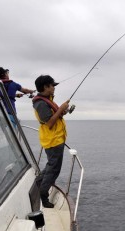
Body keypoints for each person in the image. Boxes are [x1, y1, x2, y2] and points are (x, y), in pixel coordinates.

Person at [32, 75, 70, 208]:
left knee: (51, 165)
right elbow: (49, 123)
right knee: (54, 169)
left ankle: (39, 183)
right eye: (52, 85)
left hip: (56, 139)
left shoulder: (47, 100)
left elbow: (54, 116)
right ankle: (43, 195)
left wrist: (63, 111)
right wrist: (60, 109)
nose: (54, 88)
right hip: (53, 140)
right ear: (45, 87)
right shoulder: (41, 103)